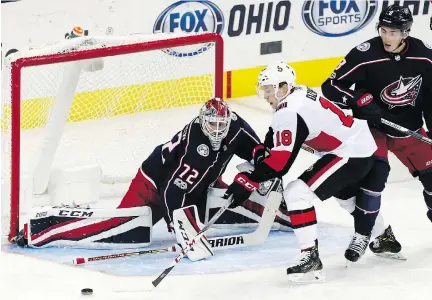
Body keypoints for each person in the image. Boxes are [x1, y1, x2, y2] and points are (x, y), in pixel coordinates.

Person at [13, 98, 292, 258]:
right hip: (154, 185)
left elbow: (258, 152)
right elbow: (173, 193)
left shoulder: (237, 128)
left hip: (201, 183)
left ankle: (280, 216)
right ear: (202, 122)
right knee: (125, 232)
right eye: (212, 125)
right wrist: (183, 230)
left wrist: (257, 174)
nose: (218, 130)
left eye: (222, 124)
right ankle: (43, 228)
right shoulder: (197, 147)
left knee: (228, 198)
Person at [223, 61, 377, 281]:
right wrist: (262, 154)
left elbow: (280, 165)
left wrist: (249, 182)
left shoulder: (290, 111)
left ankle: (309, 256)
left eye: (269, 90)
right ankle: (383, 235)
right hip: (350, 145)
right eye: (264, 90)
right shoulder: (298, 93)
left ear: (284, 87)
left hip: (351, 151)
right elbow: (275, 137)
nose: (266, 96)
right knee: (347, 198)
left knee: (297, 192)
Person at [321, 4, 432, 257]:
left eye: (393, 32)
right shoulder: (365, 54)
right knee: (374, 180)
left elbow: (431, 97)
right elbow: (330, 87)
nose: (386, 37)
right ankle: (363, 236)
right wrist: (357, 99)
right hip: (373, 130)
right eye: (383, 30)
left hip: (409, 128)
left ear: (406, 33)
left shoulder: (425, 56)